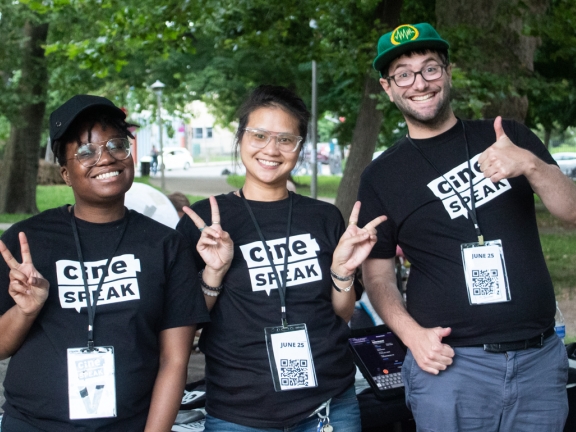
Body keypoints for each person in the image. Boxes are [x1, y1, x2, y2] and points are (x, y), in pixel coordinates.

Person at [357, 22, 576, 431]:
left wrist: (530, 165)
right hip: (451, 369)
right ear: (388, 88)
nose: (419, 83)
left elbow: (571, 210)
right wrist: (411, 336)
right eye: (403, 74)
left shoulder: (506, 136)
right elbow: (377, 274)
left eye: (430, 68)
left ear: (448, 72)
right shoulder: (381, 176)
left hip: (539, 360)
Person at [176, 85, 385, 431]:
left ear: (300, 148)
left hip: (329, 406)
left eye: (286, 140)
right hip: (239, 412)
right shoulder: (205, 223)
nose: (271, 149)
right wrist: (214, 273)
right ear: (240, 138)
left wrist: (342, 272)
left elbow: (343, 312)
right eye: (259, 135)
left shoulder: (324, 217)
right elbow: (186, 324)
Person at [0, 95, 209, 432]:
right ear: (66, 174)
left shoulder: (165, 245)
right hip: (32, 423)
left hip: (129, 423)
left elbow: (175, 360)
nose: (106, 158)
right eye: (85, 151)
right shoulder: (27, 242)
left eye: (117, 144)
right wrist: (25, 309)